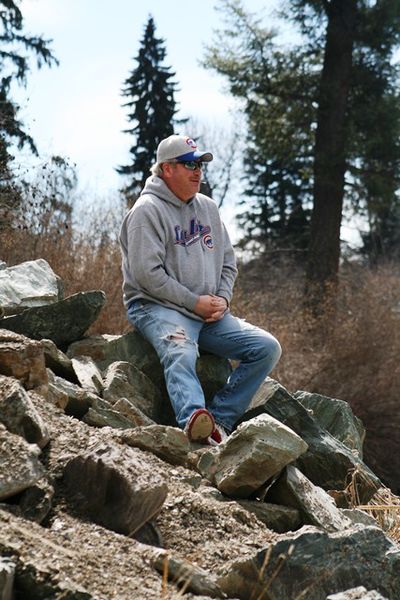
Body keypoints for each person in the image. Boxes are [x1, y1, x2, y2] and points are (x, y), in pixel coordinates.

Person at [119, 134, 281, 444]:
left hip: (207, 313)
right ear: (167, 169)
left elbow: (229, 263)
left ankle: (219, 421)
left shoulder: (208, 208)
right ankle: (194, 421)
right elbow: (146, 275)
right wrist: (194, 303)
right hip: (156, 307)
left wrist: (222, 299)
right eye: (189, 164)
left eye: (200, 165)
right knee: (180, 349)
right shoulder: (146, 211)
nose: (198, 171)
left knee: (266, 348)